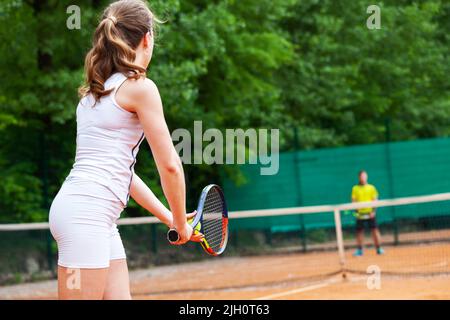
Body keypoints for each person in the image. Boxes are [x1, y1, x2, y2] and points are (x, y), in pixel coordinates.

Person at [49, 0, 203, 300]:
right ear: (147, 38)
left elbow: (124, 175)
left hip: (91, 216)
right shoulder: (141, 88)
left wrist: (171, 218)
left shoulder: (95, 95)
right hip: (86, 218)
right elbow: (169, 165)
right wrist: (182, 223)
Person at [351, 170, 384, 256]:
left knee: (375, 230)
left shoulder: (371, 188)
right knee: (359, 232)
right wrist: (357, 213)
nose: (363, 178)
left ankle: (379, 248)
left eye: (365, 176)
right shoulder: (355, 188)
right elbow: (353, 201)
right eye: (362, 176)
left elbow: (375, 200)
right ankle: (359, 250)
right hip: (360, 214)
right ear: (359, 177)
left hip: (370, 213)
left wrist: (373, 211)